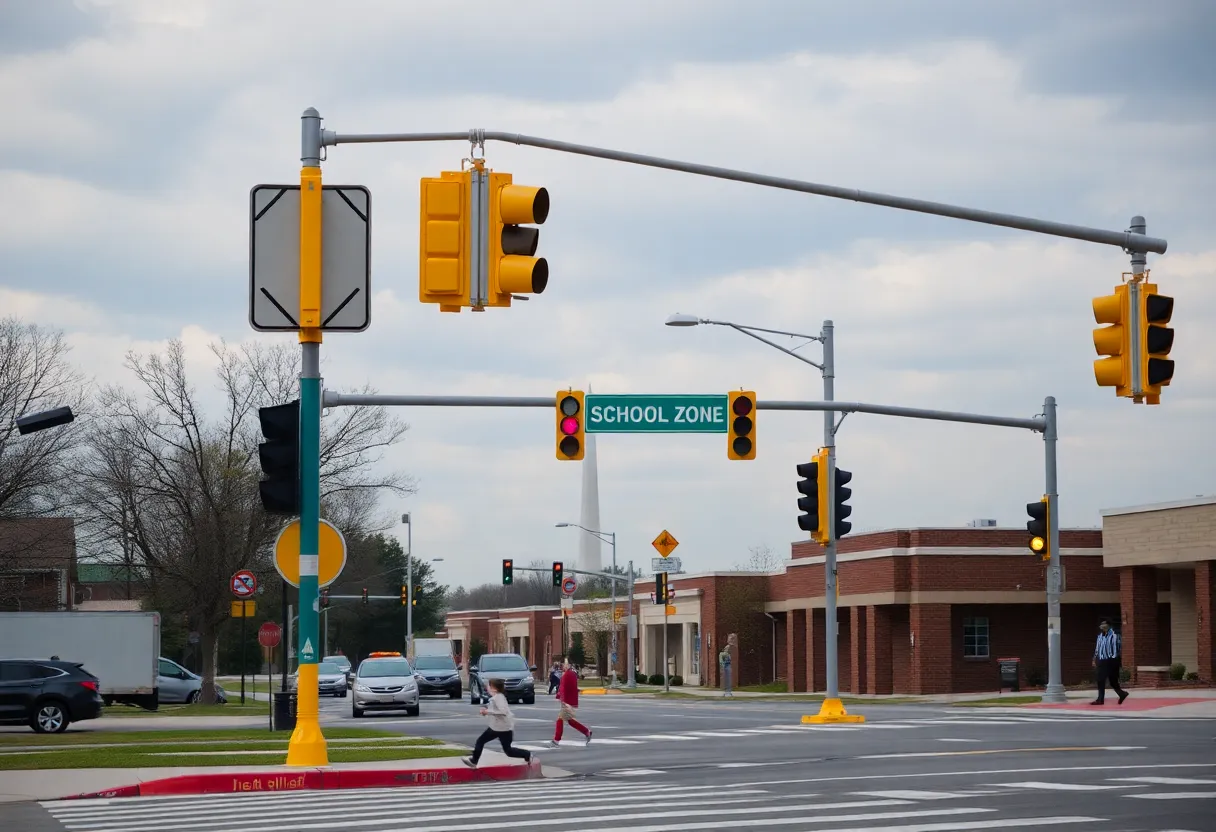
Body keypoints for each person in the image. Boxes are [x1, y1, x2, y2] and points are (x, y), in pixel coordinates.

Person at [462, 678, 540, 773]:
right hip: (499, 727)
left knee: (481, 741)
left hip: (501, 728)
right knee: (508, 750)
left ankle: (474, 761)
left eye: (489, 686)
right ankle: (527, 755)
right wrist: (486, 710)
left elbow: (503, 711)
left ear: (494, 688)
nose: (487, 687)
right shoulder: (497, 697)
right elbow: (495, 708)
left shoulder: (498, 697)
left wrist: (487, 711)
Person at [550, 660, 592, 747]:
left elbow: (565, 688)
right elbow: (568, 688)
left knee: (560, 720)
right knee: (570, 721)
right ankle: (587, 732)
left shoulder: (568, 674)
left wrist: (565, 702)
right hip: (567, 701)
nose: (563, 666)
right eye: (563, 664)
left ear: (569, 664)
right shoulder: (569, 674)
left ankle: (556, 740)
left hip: (566, 702)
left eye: (565, 664)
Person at [1091, 617, 1129, 706]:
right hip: (1102, 660)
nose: (1103, 627)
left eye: (1105, 625)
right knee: (1100, 679)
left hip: (1112, 660)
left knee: (1113, 681)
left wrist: (1114, 659)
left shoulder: (1115, 635)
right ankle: (1100, 699)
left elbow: (1118, 648)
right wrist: (1094, 659)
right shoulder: (1100, 636)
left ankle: (1122, 694)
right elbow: (1097, 648)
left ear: (1109, 626)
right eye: (1102, 625)